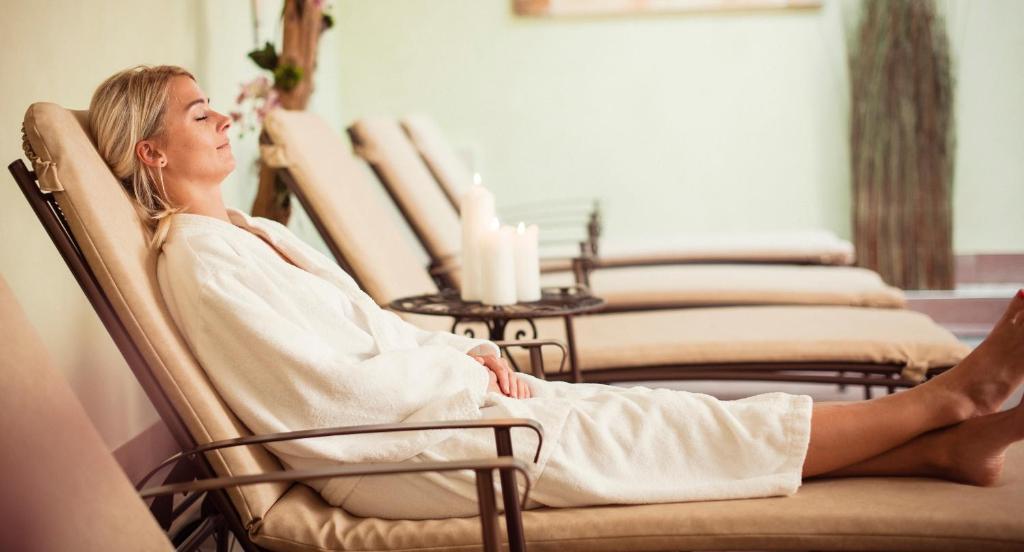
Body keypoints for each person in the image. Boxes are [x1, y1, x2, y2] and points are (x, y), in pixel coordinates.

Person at [89, 65, 1024, 519]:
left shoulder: (249, 234)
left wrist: (468, 352)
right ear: (151, 152)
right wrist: (458, 381)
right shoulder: (203, 263)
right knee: (669, 430)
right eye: (198, 113)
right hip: (407, 453)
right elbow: (327, 396)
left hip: (440, 413)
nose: (222, 121)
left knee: (671, 422)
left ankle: (943, 453)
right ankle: (945, 399)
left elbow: (368, 336)